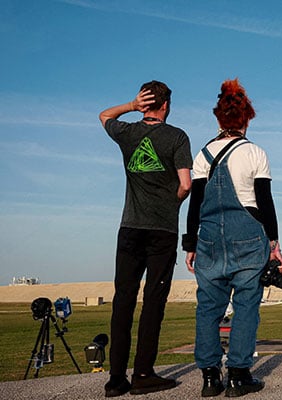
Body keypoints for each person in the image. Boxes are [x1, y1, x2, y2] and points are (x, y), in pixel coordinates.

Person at [182, 78, 282, 398]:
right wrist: (274, 245)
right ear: (247, 118)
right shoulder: (255, 153)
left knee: (208, 307)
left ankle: (210, 378)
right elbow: (265, 202)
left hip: (209, 237)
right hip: (249, 236)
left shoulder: (203, 155)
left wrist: (189, 244)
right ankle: (239, 375)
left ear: (219, 118)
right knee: (246, 305)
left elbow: (195, 203)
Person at [99, 81, 193, 396]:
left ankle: (115, 380)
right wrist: (172, 202)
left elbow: (103, 115)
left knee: (122, 301)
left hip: (130, 229)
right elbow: (186, 184)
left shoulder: (127, 133)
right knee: (153, 301)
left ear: (145, 103)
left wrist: (129, 105)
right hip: (161, 231)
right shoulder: (177, 137)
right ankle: (142, 374)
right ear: (166, 105)